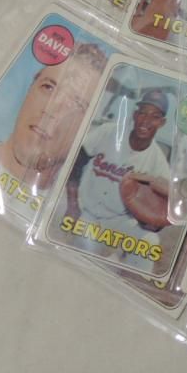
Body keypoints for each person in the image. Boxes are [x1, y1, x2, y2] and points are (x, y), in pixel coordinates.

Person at [0, 42, 108, 221]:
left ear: (89, 128)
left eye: (76, 104)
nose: (51, 110)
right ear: (30, 89)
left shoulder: (67, 219)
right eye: (48, 87)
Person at [66, 88, 173, 267]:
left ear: (162, 123)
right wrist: (72, 205)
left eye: (154, 116)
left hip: (120, 220)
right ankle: (108, 263)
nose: (146, 121)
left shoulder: (158, 162)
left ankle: (124, 274)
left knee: (150, 242)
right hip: (87, 211)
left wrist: (151, 222)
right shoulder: (109, 131)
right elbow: (76, 163)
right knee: (81, 258)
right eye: (143, 113)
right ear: (135, 114)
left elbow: (163, 213)